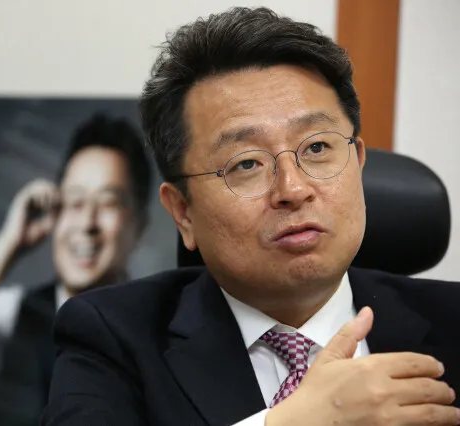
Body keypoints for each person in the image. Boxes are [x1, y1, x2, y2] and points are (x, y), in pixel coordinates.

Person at [42, 7, 460, 426]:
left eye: (317, 148)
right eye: (246, 164)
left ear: (358, 161)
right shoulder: (111, 337)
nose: (293, 189)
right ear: (183, 212)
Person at [0, 113, 152, 425]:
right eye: (75, 201)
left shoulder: (156, 334)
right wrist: (10, 242)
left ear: (139, 226)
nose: (87, 222)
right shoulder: (15, 315)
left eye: (108, 203)